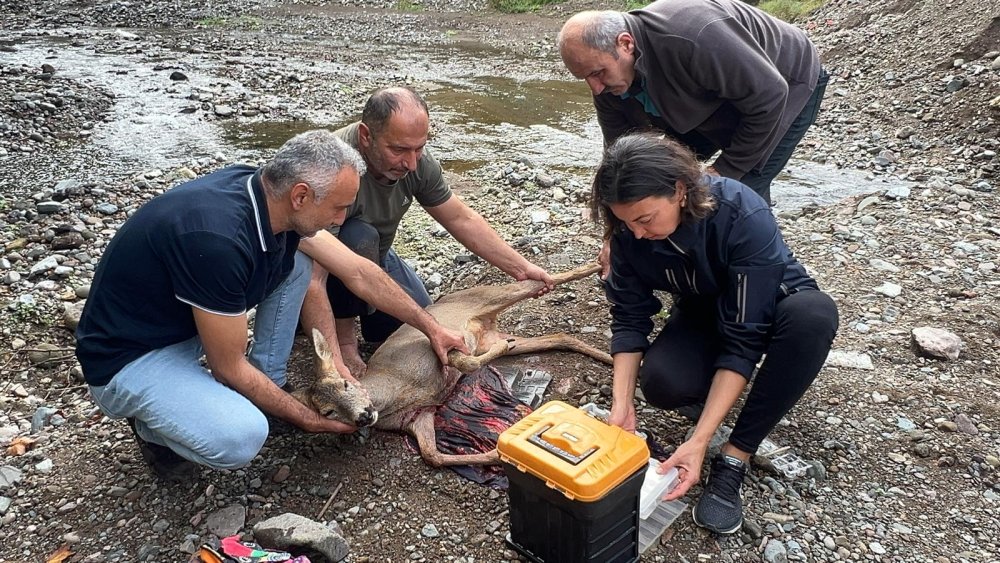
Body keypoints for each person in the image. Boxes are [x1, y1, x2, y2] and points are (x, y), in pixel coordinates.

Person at [76, 130, 468, 481]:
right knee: (241, 438)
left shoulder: (271, 198)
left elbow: (360, 274)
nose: (342, 218)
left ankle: (268, 379)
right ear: (300, 195)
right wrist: (304, 418)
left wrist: (430, 326)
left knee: (299, 263)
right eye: (337, 207)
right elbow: (227, 366)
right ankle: (151, 428)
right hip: (129, 357)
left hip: (184, 321)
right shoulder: (219, 241)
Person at [591, 132, 838, 534]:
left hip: (772, 303)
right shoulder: (628, 235)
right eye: (623, 222)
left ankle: (735, 454)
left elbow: (745, 338)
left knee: (814, 316)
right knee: (662, 384)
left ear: (680, 190)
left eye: (644, 219)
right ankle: (710, 398)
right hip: (703, 306)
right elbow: (630, 319)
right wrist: (622, 404)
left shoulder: (742, 214)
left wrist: (701, 440)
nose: (635, 232)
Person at [301, 86, 554, 377]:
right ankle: (347, 338)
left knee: (416, 327)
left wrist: (521, 267)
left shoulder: (415, 160)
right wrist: (335, 359)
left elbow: (460, 218)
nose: (410, 163)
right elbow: (314, 278)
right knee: (359, 236)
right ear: (365, 136)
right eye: (398, 150)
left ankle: (370, 318)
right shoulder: (334, 170)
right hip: (325, 263)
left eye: (418, 148)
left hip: (378, 257)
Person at [559, 0, 829, 207]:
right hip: (707, 98)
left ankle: (760, 268)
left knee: (735, 191)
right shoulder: (606, 84)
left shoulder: (693, 37)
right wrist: (614, 231)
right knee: (661, 178)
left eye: (597, 73)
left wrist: (722, 171)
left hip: (785, 85)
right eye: (584, 78)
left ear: (625, 44)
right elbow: (620, 158)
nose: (595, 88)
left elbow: (769, 96)